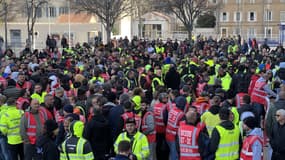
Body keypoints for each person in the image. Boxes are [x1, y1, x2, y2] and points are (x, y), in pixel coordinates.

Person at [0, 87, 24, 160]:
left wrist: (7, 133)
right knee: (23, 156)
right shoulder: (21, 112)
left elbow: (3, 129)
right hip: (22, 139)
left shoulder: (4, 114)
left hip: (11, 140)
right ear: (15, 104)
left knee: (12, 156)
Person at [165, 96, 186, 160]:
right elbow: (183, 128)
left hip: (168, 135)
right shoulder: (182, 115)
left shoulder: (172, 109)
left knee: (171, 154)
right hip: (174, 138)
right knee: (175, 156)